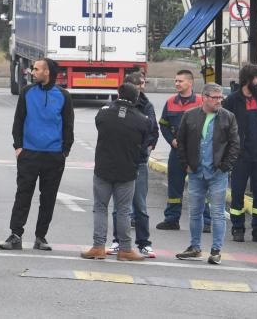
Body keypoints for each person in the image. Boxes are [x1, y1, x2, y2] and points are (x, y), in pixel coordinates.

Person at [0, 58, 74, 252]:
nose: (33, 72)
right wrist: (18, 146)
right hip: (29, 153)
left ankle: (41, 237)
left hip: (54, 155)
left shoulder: (63, 96)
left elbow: (68, 126)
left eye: (37, 69)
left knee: (48, 198)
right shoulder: (27, 93)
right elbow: (19, 120)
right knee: (23, 195)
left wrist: (64, 150)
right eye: (33, 69)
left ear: (47, 72)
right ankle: (16, 235)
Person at [82, 83, 151, 262]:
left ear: (118, 94)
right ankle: (125, 249)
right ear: (136, 98)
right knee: (123, 210)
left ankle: (98, 246)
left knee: (100, 207)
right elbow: (145, 142)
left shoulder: (103, 114)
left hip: (103, 168)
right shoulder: (142, 119)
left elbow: (100, 127)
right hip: (127, 170)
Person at [174, 83, 240, 265]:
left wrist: (225, 167)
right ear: (204, 97)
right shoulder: (190, 116)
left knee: (217, 212)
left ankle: (216, 250)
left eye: (221, 97)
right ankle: (195, 247)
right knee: (195, 212)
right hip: (196, 172)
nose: (219, 101)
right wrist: (186, 164)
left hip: (217, 173)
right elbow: (181, 142)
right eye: (215, 97)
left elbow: (235, 144)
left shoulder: (228, 117)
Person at [106, 72, 159, 258]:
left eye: (142, 84)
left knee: (140, 204)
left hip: (138, 161)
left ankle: (144, 243)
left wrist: (147, 148)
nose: (141, 88)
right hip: (119, 161)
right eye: (138, 85)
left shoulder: (146, 106)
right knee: (120, 206)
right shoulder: (114, 106)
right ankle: (117, 241)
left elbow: (153, 130)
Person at [223, 64, 257, 244]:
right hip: (240, 155)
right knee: (237, 193)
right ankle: (237, 228)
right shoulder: (232, 101)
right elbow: (225, 128)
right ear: (248, 79)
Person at [157, 69, 210, 231]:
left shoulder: (202, 101)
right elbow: (164, 124)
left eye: (180, 81)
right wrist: (171, 140)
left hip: (198, 153)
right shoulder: (171, 102)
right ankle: (172, 219)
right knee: (174, 187)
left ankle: (205, 222)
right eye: (176, 81)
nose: (177, 84)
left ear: (190, 83)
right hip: (177, 153)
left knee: (200, 187)